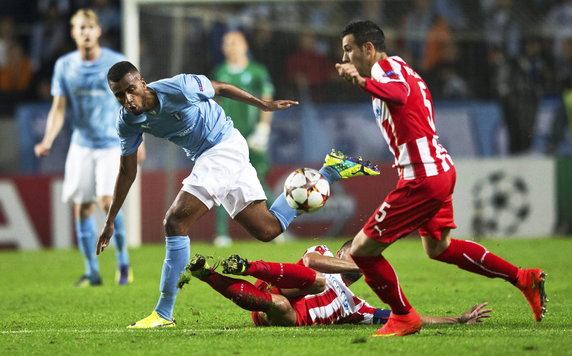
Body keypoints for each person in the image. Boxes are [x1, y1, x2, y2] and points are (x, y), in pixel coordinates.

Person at [99, 61, 380, 328]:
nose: (127, 99)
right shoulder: (127, 121)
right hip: (217, 153)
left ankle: (163, 313)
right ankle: (330, 171)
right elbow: (127, 171)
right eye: (119, 95)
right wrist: (111, 219)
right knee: (268, 229)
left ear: (143, 83)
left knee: (174, 222)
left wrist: (263, 105)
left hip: (223, 147)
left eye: (130, 90)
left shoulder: (179, 87)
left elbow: (220, 87)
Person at [334, 20, 547, 337]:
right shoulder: (400, 68)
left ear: (368, 48)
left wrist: (364, 83)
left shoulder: (385, 70)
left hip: (422, 176)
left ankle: (404, 316)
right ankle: (522, 277)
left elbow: (400, 95)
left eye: (349, 49)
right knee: (439, 247)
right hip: (439, 168)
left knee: (362, 250)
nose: (347, 57)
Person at [34, 9, 136, 287]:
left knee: (106, 202)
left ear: (99, 30)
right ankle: (92, 272)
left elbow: (134, 103)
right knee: (81, 208)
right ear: (73, 33)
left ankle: (123, 264)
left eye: (90, 27)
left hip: (110, 143)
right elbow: (58, 107)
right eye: (80, 28)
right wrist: (48, 139)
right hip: (81, 143)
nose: (86, 32)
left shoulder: (116, 64)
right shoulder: (65, 65)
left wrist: (140, 140)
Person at [178, 242, 492, 327]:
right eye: (356, 254)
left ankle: (208, 274)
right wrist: (360, 263)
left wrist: (457, 319)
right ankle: (249, 266)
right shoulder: (324, 254)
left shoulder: (359, 307)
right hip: (276, 282)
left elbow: (406, 317)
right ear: (343, 253)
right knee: (316, 280)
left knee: (281, 305)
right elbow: (312, 264)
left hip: (283, 312)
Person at [211, 31, 275, 247]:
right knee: (222, 182)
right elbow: (216, 105)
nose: (230, 47)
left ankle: (277, 226)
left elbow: (267, 99)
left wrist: (263, 127)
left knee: (260, 180)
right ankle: (222, 234)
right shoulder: (219, 72)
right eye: (226, 43)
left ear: (245, 45)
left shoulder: (257, 71)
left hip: (253, 136)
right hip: (228, 138)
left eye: (234, 42)